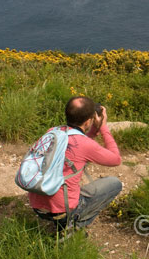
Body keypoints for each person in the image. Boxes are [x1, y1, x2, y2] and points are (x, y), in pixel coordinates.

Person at [29, 96, 122, 231]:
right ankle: (72, 225)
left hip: (38, 206)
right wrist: (103, 127)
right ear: (89, 121)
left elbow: (76, 142)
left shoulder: (52, 132)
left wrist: (93, 130)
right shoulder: (85, 145)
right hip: (63, 210)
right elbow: (116, 159)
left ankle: (63, 221)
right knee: (114, 184)